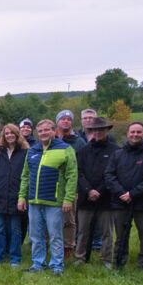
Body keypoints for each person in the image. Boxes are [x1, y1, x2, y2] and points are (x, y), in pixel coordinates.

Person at [18, 119, 77, 275]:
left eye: (46, 130)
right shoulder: (32, 150)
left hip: (54, 201)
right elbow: (25, 176)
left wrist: (68, 199)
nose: (43, 133)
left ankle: (57, 265)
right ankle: (38, 263)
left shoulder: (65, 149)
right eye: (40, 131)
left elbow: (72, 176)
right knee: (35, 236)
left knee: (55, 235)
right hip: (34, 201)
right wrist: (22, 197)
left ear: (54, 131)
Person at [105, 122, 143, 271]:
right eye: (132, 132)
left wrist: (132, 193)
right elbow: (109, 175)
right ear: (127, 134)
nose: (135, 135)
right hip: (120, 202)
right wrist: (121, 193)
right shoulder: (118, 154)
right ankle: (119, 263)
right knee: (121, 235)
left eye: (138, 132)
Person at [75, 117, 119, 267]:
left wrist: (99, 190)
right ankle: (80, 257)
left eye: (101, 129)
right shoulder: (83, 150)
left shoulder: (115, 150)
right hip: (85, 197)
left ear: (107, 130)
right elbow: (79, 172)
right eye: (94, 130)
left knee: (107, 232)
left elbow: (113, 174)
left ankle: (107, 258)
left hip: (106, 197)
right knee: (83, 230)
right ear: (91, 131)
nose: (98, 132)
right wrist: (89, 190)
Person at [0, 124, 27, 266]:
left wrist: (22, 195)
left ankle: (15, 257)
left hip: (16, 196)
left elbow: (27, 174)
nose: (9, 135)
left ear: (17, 134)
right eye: (6, 133)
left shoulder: (24, 152)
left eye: (12, 133)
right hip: (0, 197)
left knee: (15, 229)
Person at [55, 110, 85, 260]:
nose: (66, 121)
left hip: (71, 187)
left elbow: (83, 165)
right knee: (52, 219)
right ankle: (52, 247)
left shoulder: (79, 142)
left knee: (69, 219)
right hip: (53, 185)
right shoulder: (52, 139)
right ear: (57, 122)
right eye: (63, 119)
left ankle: (68, 248)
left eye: (68, 119)